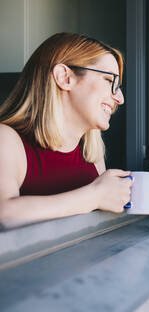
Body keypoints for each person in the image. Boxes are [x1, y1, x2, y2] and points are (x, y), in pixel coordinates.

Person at [0, 32, 133, 230]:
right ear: (65, 77)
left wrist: (125, 197)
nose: (119, 98)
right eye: (108, 80)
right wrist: (95, 195)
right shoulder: (7, 139)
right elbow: (4, 215)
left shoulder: (90, 151)